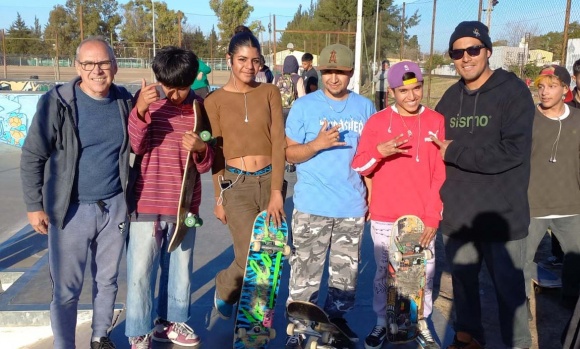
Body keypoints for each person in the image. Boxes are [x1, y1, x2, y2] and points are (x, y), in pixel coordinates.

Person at [20, 36, 133, 349]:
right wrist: (34, 205)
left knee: (107, 280)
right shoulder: (57, 102)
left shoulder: (124, 100)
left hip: (113, 206)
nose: (97, 71)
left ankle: (100, 337)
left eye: (103, 63)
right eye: (89, 64)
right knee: (67, 289)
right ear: (78, 67)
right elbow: (33, 155)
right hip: (69, 210)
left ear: (115, 65)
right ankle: (65, 344)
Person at [430, 21, 534, 349]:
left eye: (473, 49)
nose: (465, 57)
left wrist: (457, 151)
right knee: (462, 285)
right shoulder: (449, 98)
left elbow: (513, 151)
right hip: (459, 215)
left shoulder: (512, 92)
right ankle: (468, 337)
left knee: (509, 292)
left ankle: (517, 344)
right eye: (457, 52)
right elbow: (432, 148)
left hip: (501, 216)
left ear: (487, 51)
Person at [284, 43, 376, 349]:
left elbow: (371, 158)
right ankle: (299, 329)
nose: (333, 78)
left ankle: (335, 322)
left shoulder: (365, 108)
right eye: (328, 71)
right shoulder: (304, 107)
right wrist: (317, 145)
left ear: (350, 73)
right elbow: (290, 153)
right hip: (312, 206)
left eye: (340, 72)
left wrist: (371, 199)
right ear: (320, 71)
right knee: (305, 277)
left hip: (351, 206)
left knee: (346, 280)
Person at [352, 61, 445, 349]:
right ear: (392, 91)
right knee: (385, 274)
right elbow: (360, 165)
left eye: (417, 88)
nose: (412, 96)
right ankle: (382, 323)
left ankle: (421, 323)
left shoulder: (435, 120)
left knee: (422, 274)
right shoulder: (378, 122)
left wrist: (433, 216)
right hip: (385, 214)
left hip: (421, 218)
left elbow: (438, 173)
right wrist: (380, 152)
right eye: (404, 91)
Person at [125, 46, 214, 348]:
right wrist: (139, 110)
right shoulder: (148, 105)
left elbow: (206, 163)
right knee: (140, 272)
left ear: (193, 81)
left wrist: (202, 150)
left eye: (182, 88)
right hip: (147, 203)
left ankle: (172, 322)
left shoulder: (201, 110)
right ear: (158, 80)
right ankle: (138, 331)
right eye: (168, 88)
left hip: (184, 206)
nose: (174, 95)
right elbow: (136, 147)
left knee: (180, 269)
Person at [204, 31, 286, 320]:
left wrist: (277, 190)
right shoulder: (213, 102)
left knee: (269, 254)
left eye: (255, 61)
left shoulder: (270, 93)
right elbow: (215, 154)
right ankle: (226, 286)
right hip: (235, 185)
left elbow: (278, 141)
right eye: (242, 60)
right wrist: (218, 198)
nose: (249, 67)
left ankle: (256, 319)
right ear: (229, 59)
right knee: (246, 256)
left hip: (269, 182)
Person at [523, 65, 580, 311]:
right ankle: (520, 306)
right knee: (522, 261)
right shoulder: (526, 119)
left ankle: (571, 303)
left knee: (576, 259)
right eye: (541, 87)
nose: (544, 92)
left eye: (552, 86)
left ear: (566, 89)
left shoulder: (578, 119)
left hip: (571, 205)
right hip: (531, 205)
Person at [275, 55, 306, 122]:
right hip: (292, 111)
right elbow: (302, 98)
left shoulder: (277, 77)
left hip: (277, 109)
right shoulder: (298, 78)